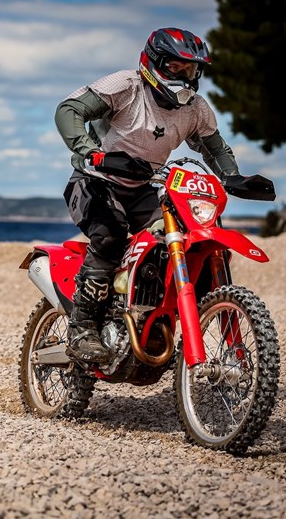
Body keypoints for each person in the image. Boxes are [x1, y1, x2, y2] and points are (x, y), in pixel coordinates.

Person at [54, 27, 241, 364]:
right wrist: (90, 151)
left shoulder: (196, 109)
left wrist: (234, 177)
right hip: (94, 181)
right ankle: (82, 328)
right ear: (153, 62)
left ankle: (156, 319)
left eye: (192, 70)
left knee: (179, 240)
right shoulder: (126, 86)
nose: (185, 76)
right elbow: (68, 110)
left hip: (143, 189)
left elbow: (214, 149)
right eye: (176, 67)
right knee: (110, 236)